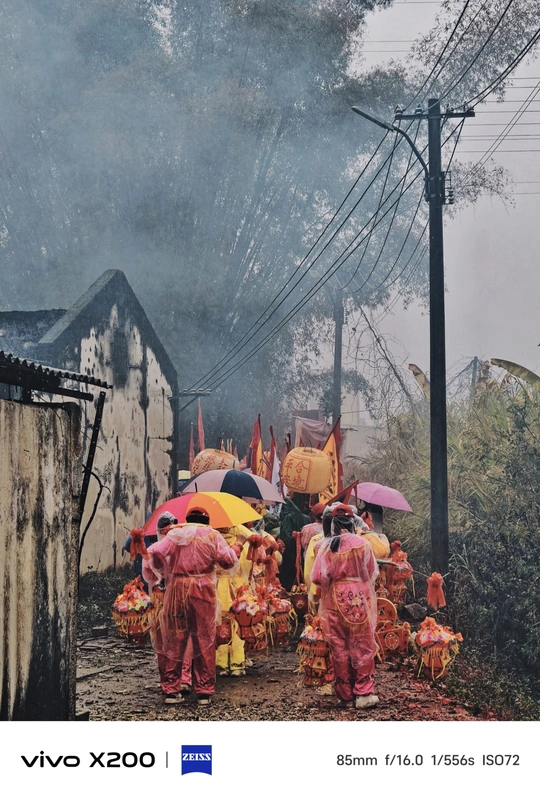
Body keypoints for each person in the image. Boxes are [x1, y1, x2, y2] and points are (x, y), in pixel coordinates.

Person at [143, 508, 247, 707]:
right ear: (207, 521)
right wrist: (238, 545)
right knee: (204, 639)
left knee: (174, 638)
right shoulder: (212, 535)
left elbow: (155, 554)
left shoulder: (176, 534)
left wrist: (168, 571)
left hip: (177, 590)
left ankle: (172, 690)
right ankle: (203, 692)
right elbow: (227, 561)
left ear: (188, 519)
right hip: (202, 590)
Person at [311, 503, 379, 710]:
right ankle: (363, 692)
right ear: (352, 522)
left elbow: (316, 577)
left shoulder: (326, 547)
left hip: (334, 599)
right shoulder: (363, 544)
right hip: (361, 597)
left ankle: (345, 694)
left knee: (339, 647)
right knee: (362, 644)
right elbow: (371, 572)